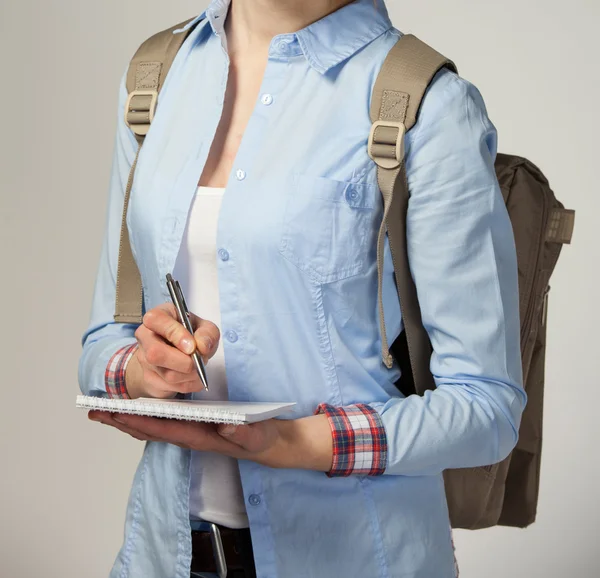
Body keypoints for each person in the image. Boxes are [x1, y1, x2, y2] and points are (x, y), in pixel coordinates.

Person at [78, 0, 526, 576]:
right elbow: (100, 344)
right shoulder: (154, 77)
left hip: (357, 558)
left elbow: (487, 407)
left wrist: (296, 442)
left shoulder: (426, 104)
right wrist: (143, 372)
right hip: (165, 556)